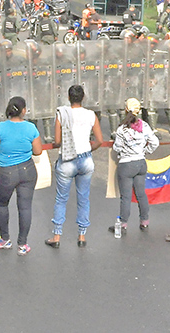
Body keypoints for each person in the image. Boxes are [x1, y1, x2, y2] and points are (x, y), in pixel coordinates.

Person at [46, 84, 104, 248]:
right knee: (83, 198)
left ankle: (57, 237)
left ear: (68, 97)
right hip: (85, 160)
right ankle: (82, 236)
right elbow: (99, 140)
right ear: (83, 97)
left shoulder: (61, 114)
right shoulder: (91, 115)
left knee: (61, 199)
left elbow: (57, 141)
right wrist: (88, 149)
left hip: (67, 160)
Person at [0, 96, 42, 256]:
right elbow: (38, 151)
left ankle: (4, 239)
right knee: (25, 207)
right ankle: (22, 244)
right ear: (23, 110)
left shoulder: (0, 128)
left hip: (6, 171)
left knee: (1, 204)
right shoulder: (31, 128)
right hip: (27, 169)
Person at [111, 98, 161, 232]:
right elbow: (155, 142)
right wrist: (145, 151)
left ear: (126, 109)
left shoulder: (122, 129)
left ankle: (123, 223)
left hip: (126, 165)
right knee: (141, 194)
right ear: (139, 110)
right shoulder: (144, 126)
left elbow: (117, 147)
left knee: (126, 197)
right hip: (140, 163)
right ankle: (144, 221)